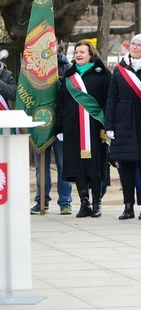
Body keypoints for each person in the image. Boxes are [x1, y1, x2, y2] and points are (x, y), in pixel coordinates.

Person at [105, 34, 141, 221]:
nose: (135, 47)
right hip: (123, 120)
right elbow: (112, 97)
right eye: (133, 43)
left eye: (139, 44)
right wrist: (109, 124)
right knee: (126, 164)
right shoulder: (120, 69)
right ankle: (128, 206)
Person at [57, 41, 111, 218]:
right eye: (76, 52)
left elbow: (109, 102)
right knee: (77, 165)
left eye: (82, 52)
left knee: (95, 166)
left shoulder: (102, 74)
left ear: (91, 54)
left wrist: (108, 125)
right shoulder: (68, 76)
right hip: (73, 129)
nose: (78, 55)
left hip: (96, 128)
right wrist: (60, 128)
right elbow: (61, 104)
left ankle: (97, 202)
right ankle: (84, 203)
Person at [31, 43, 73, 215]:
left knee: (63, 164)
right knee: (42, 166)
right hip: (40, 122)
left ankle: (65, 201)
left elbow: (70, 93)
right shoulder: (32, 68)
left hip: (60, 123)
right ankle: (42, 200)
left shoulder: (66, 67)